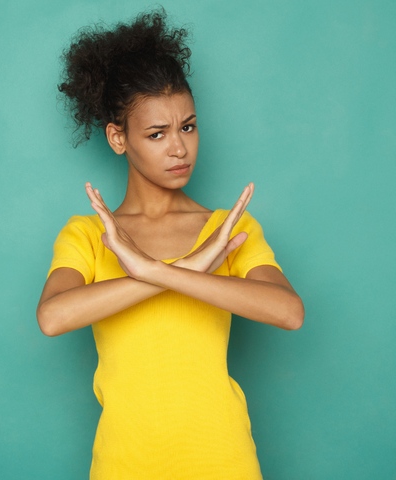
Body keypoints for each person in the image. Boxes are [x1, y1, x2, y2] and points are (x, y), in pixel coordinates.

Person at [37, 7, 304, 479]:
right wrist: (184, 268)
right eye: (156, 134)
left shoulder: (227, 229)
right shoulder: (90, 234)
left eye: (188, 126)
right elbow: (53, 317)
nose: (179, 148)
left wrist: (159, 271)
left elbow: (288, 312)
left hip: (224, 461)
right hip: (124, 464)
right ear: (118, 138)